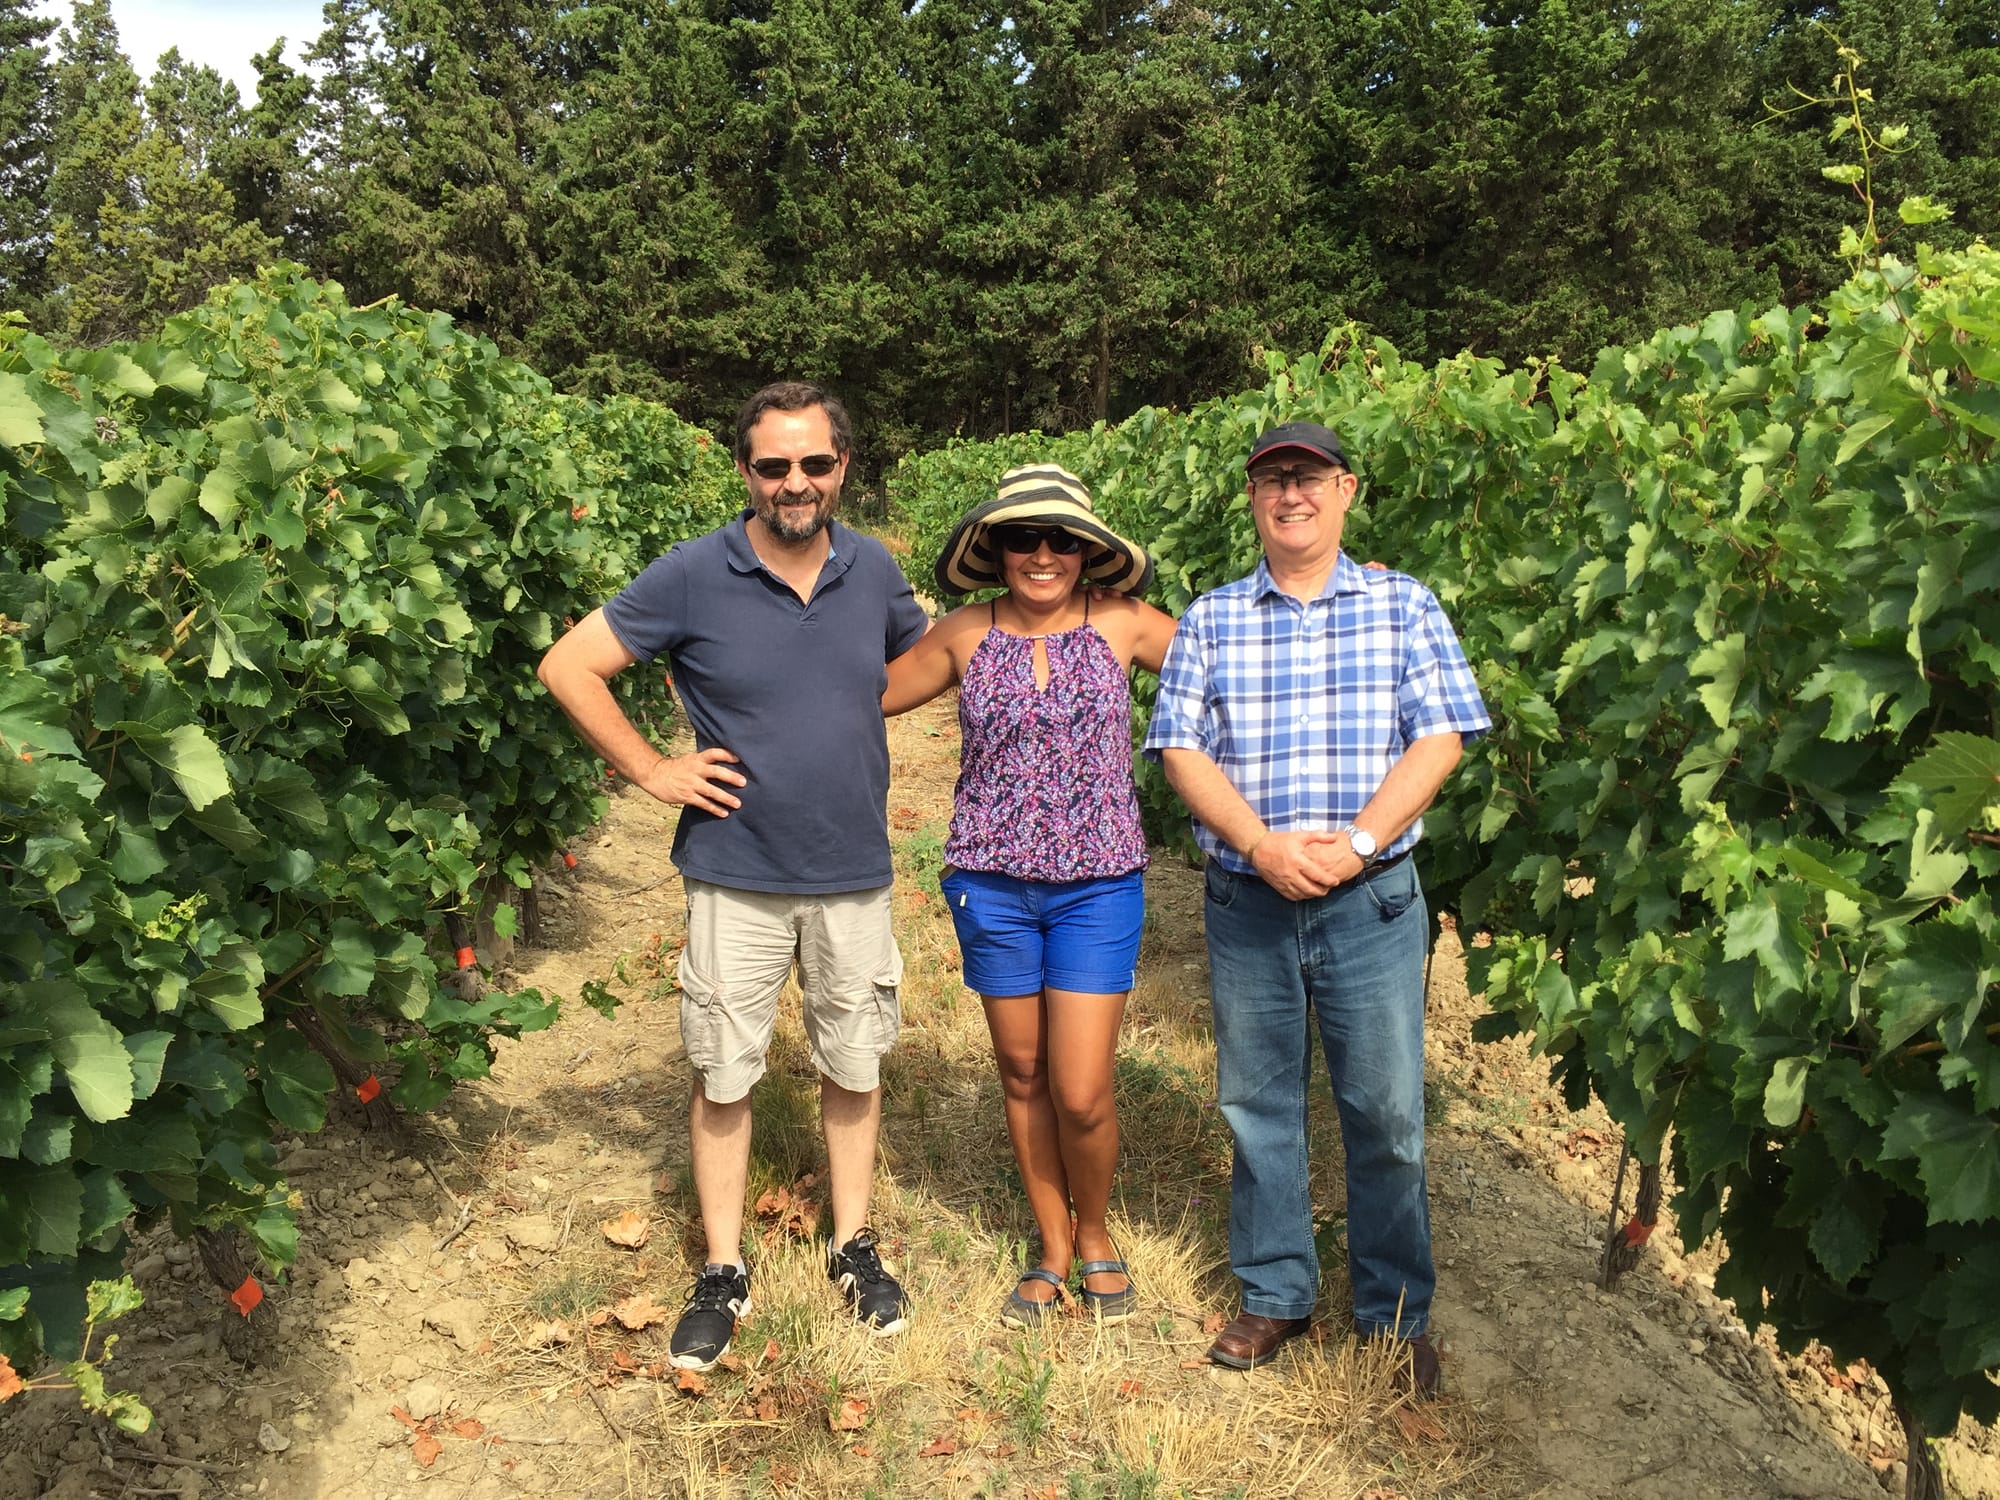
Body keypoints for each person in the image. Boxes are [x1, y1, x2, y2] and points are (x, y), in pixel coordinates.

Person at [537, 381, 929, 1371]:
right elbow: (568, 666)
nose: (793, 482)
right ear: (744, 470)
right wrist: (650, 768)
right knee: (723, 1073)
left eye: (813, 463)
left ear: (842, 467)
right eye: (772, 465)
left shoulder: (874, 570)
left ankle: (852, 1246)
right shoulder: (690, 575)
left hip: (852, 869)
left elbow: (922, 667)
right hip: (734, 871)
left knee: (853, 1062)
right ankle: (721, 1268)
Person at [1142, 421, 1489, 1397]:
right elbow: (1178, 750)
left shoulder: (1401, 605)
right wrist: (1258, 844)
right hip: (1246, 899)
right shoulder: (1210, 617)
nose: (1288, 494)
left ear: (1344, 490)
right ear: (1252, 500)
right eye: (1269, 481)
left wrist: (1357, 844)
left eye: (1306, 478)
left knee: (1382, 1112)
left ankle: (1392, 1313)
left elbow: (1439, 739)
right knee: (1256, 1105)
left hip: (1368, 902)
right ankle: (1274, 1292)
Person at [883, 464, 1175, 1327]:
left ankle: (1096, 1232)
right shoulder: (965, 633)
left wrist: (1349, 594)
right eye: (1023, 538)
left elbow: (1241, 656)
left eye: (1061, 540)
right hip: (990, 884)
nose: (1042, 554)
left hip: (1098, 884)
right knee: (1022, 1072)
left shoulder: (1124, 623)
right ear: (997, 550)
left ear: (1088, 553)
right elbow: (856, 696)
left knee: (1081, 1088)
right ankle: (1052, 1244)